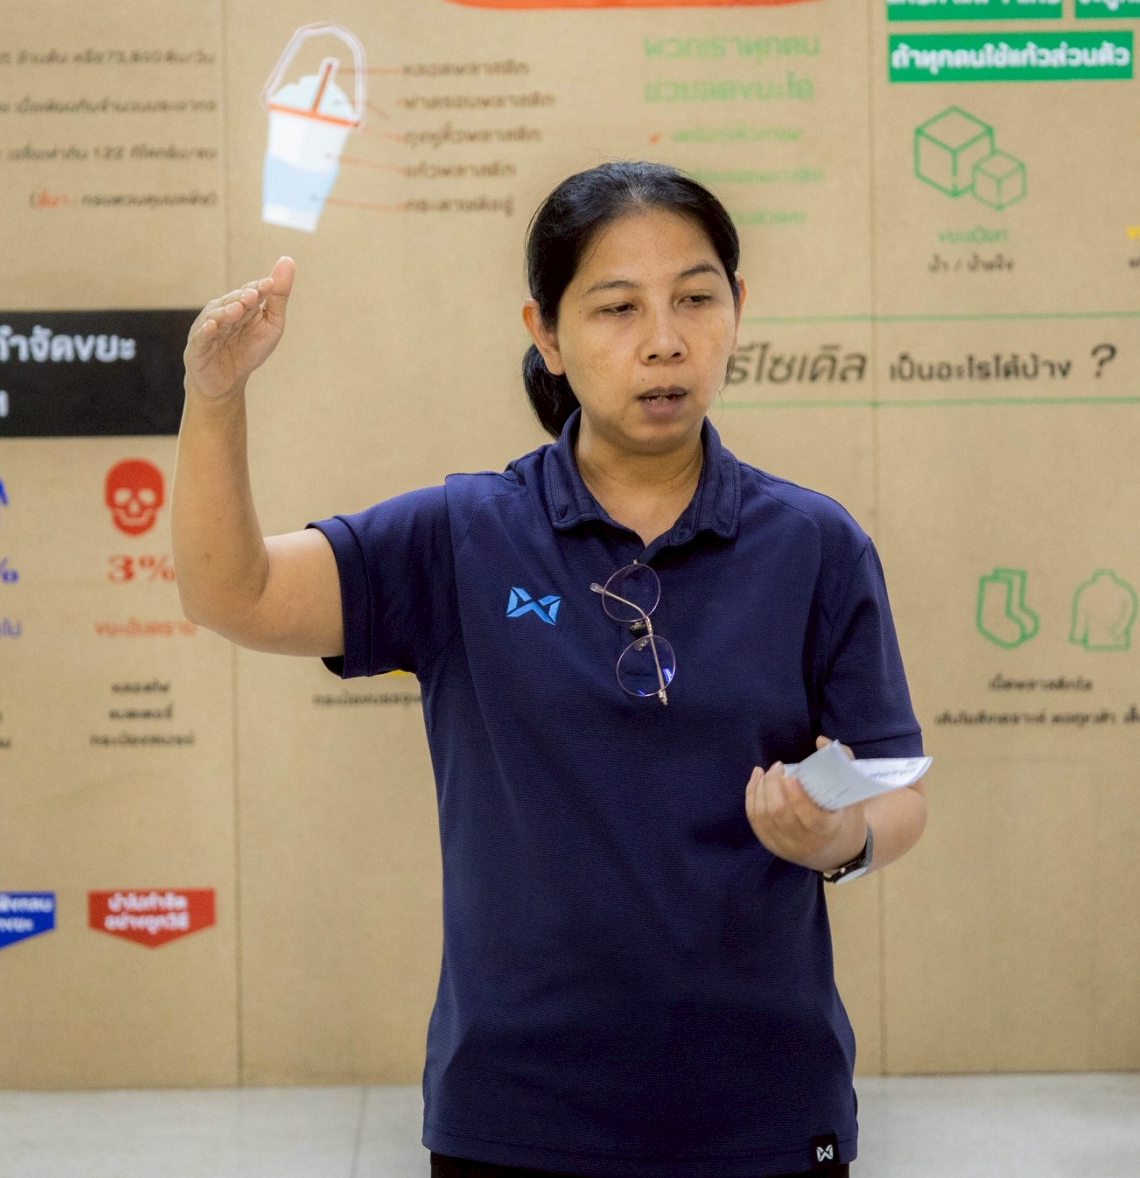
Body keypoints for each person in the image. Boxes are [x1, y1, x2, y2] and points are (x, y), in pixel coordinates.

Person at [174, 162, 928, 1178]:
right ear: (547, 334)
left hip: (763, 1105)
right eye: (617, 308)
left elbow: (896, 791)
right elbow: (234, 592)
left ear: (737, 309)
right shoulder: (462, 536)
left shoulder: (814, 543)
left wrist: (840, 838)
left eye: (695, 299)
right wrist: (214, 399)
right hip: (517, 1110)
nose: (664, 340)